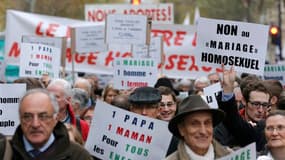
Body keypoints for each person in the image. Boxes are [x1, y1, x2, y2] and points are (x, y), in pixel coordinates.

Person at [10, 89, 92, 159]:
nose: (35, 124)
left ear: (56, 119)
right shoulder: (4, 152)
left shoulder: (79, 156)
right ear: (20, 118)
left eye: (43, 117)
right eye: (28, 117)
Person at [166, 95, 231, 159]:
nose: (203, 131)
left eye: (207, 123)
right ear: (181, 129)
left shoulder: (231, 156)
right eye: (194, 124)